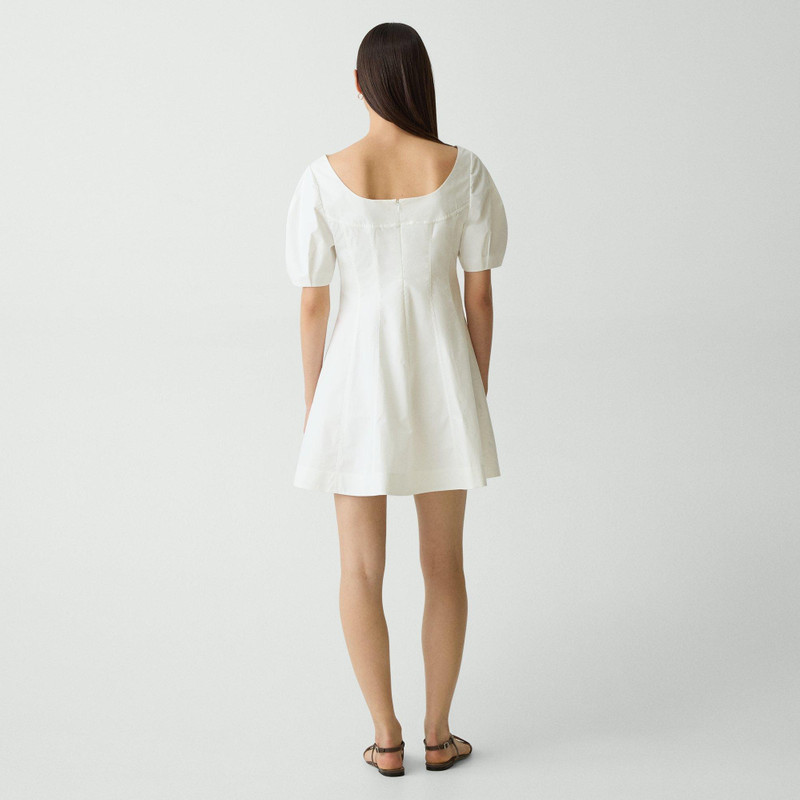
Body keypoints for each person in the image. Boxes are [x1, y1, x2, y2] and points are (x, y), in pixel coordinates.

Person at [285, 22, 508, 777]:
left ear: (359, 83)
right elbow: (480, 297)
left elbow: (313, 304)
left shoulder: (323, 176)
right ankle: (438, 735)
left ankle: (386, 739)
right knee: (445, 565)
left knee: (358, 570)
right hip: (442, 379)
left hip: (353, 386)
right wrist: (472, 390)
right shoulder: (464, 170)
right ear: (421, 80)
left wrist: (315, 406)